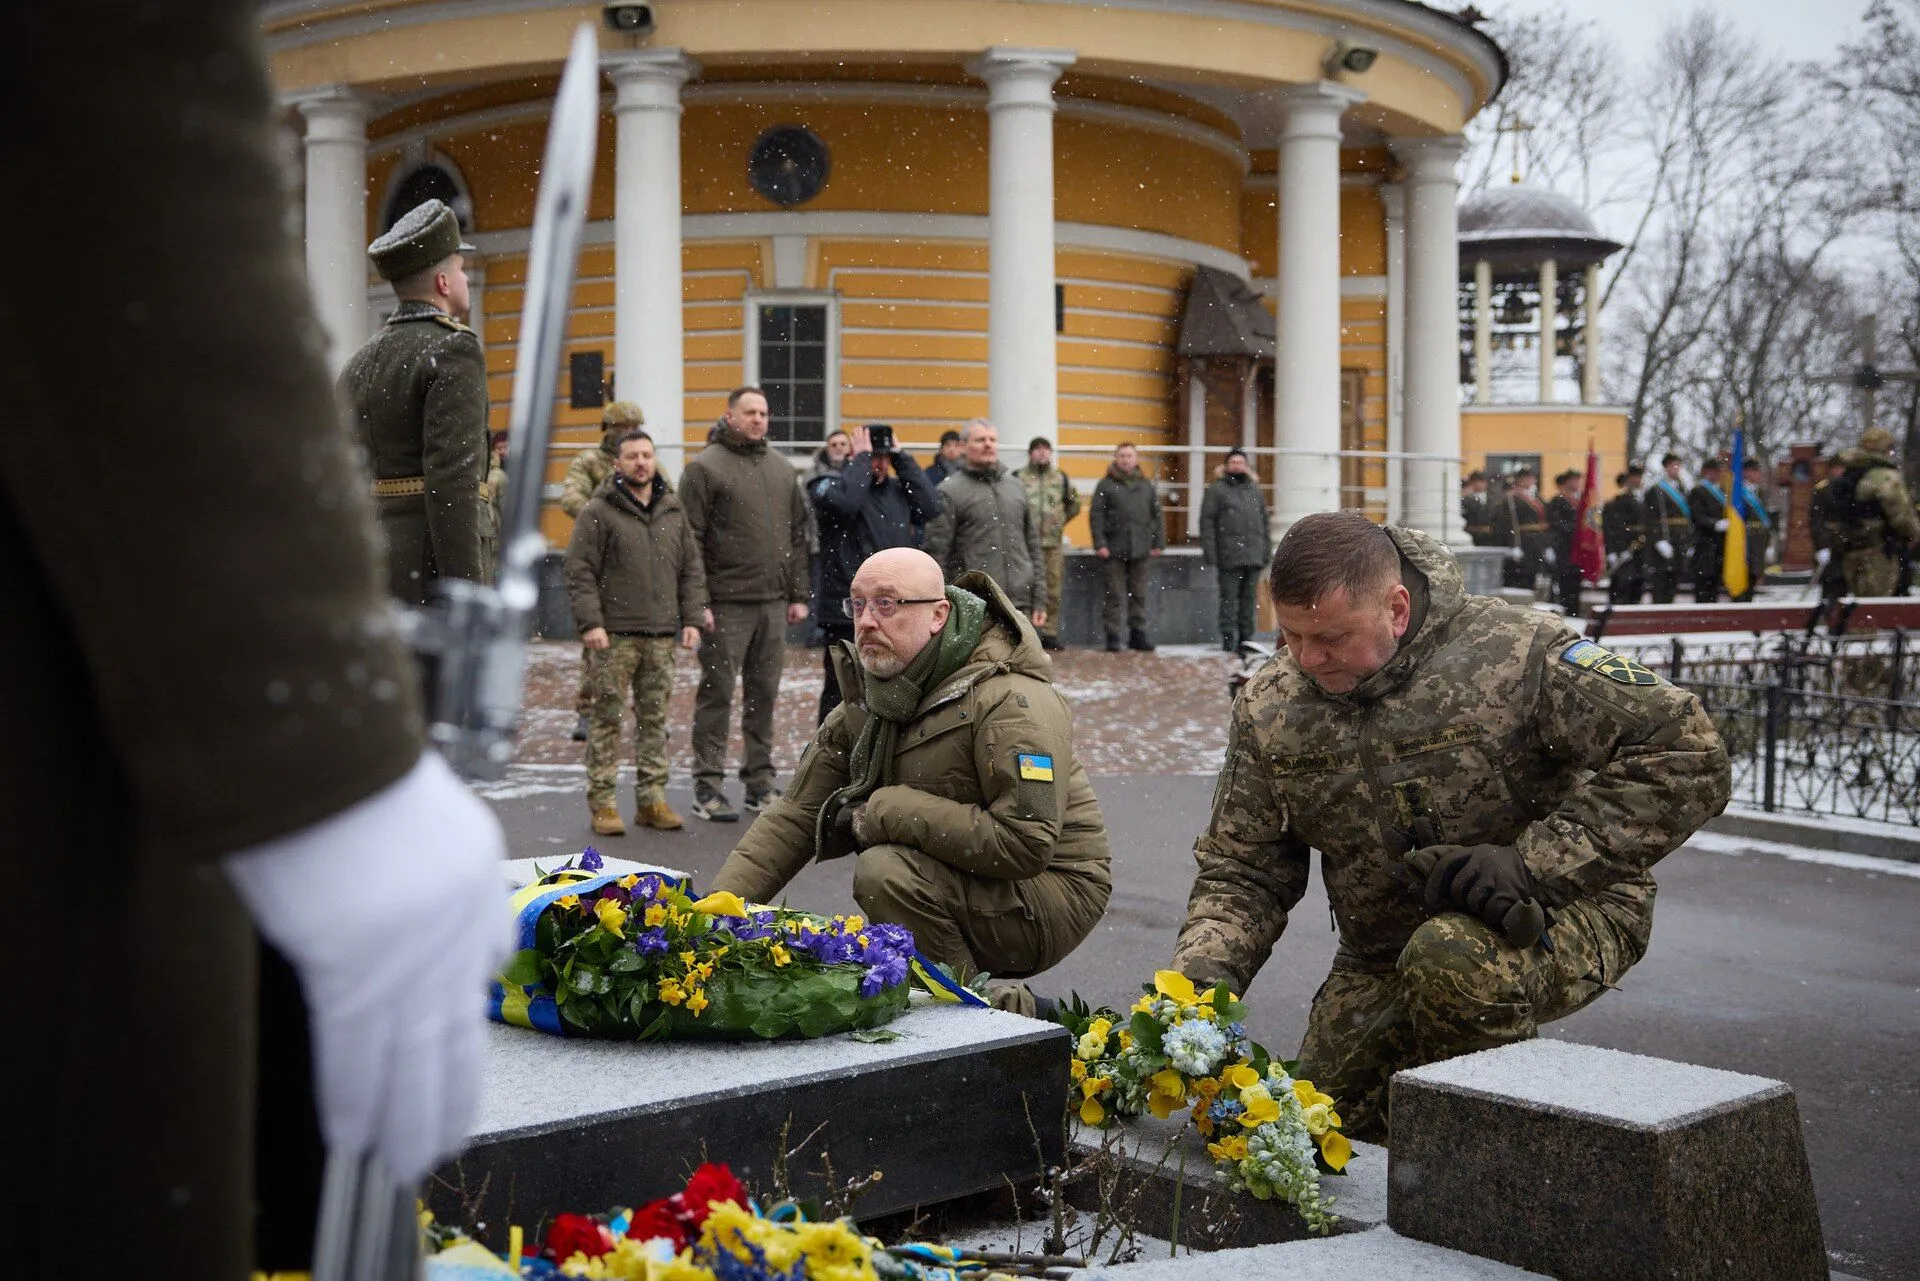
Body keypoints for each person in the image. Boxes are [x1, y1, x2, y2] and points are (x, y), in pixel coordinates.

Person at [5, 6, 509, 1274]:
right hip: (289, 596)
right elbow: (123, 142)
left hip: (354, 560)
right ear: (447, 278)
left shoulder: (365, 360)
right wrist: (323, 753)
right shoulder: (449, 359)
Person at [1171, 512, 1729, 1140]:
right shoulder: (1273, 705)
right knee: (1308, 1140)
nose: (1307, 658)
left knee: (1453, 964)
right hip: (1381, 953)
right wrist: (1194, 998)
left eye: (1332, 637)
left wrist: (1532, 865)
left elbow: (1687, 751)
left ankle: (1502, 1164)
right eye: (1291, 635)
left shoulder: (1516, 652)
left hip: (1565, 910)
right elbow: (1244, 869)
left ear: (1396, 608)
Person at [707, 548, 1111, 1017]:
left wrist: (886, 810)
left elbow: (1025, 843)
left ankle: (987, 1015)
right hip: (971, 871)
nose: (866, 621)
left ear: (938, 615)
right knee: (890, 873)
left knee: (886, 873)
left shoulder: (1012, 700)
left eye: (887, 604)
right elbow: (795, 815)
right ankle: (970, 1003)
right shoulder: (874, 698)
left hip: (1053, 891)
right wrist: (710, 917)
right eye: (858, 604)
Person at [337, 197, 489, 606]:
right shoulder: (454, 349)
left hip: (374, 564)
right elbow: (452, 481)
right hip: (432, 571)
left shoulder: (357, 364)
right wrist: (468, 596)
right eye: (460, 268)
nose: (464, 277)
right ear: (443, 283)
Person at [565, 429, 709, 836]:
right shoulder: (599, 511)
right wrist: (591, 623)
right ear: (618, 463)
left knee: (654, 721)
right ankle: (603, 803)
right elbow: (579, 571)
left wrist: (692, 620)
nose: (641, 462)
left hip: (660, 635)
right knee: (605, 719)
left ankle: (651, 800)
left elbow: (691, 570)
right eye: (632, 456)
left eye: (647, 455)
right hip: (613, 636)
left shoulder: (672, 510)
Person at [680, 387, 812, 822]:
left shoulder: (781, 468)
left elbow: (797, 536)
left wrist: (798, 594)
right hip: (725, 604)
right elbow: (689, 541)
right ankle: (707, 787)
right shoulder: (704, 467)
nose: (758, 419)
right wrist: (698, 603)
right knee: (717, 694)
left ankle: (759, 784)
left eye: (764, 413)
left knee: (764, 695)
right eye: (750, 412)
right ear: (729, 416)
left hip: (772, 603)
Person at [810, 425, 944, 721]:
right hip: (846, 608)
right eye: (873, 456)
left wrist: (902, 458)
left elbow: (932, 506)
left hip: (893, 605)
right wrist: (860, 459)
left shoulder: (897, 491)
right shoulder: (827, 485)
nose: (879, 463)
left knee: (892, 683)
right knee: (842, 688)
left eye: (885, 457)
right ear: (855, 456)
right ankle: (833, 744)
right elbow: (846, 504)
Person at [561, 401, 648, 740]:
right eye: (622, 427)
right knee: (597, 643)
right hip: (602, 562)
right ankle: (588, 710)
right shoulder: (589, 462)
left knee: (647, 645)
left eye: (634, 427)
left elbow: (667, 500)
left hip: (639, 564)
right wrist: (606, 518)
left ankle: (648, 713)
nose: (629, 433)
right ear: (608, 429)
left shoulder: (645, 462)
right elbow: (571, 498)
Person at [923, 419, 1048, 630]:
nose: (988, 444)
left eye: (992, 439)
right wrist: (943, 601)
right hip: (975, 605)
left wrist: (1040, 598)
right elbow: (937, 552)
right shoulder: (949, 491)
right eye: (980, 440)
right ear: (963, 446)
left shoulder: (1016, 487)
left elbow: (1033, 546)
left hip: (1020, 603)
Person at [1090, 442, 1166, 651]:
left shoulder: (1146, 485)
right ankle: (1113, 635)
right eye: (1122, 455)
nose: (1125, 459)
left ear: (1136, 459)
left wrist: (1158, 542)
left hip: (1140, 548)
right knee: (1113, 594)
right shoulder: (1105, 485)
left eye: (1129, 456)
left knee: (1139, 593)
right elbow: (1096, 516)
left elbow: (1156, 515)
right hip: (1113, 548)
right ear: (1116, 458)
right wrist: (1100, 543)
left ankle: (1137, 634)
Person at [1828, 425, 1920, 596]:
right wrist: (1913, 534)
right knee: (1880, 605)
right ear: (1885, 448)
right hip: (1879, 552)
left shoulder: (1850, 472)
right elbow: (1901, 516)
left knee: (1860, 603)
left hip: (1850, 551)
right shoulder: (1884, 476)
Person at [1200, 447, 1273, 651]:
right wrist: (1210, 552)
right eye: (1233, 462)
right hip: (1228, 555)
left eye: (1240, 462)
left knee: (1249, 600)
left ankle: (1246, 639)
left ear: (1246, 465)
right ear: (1226, 465)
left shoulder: (1254, 490)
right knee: (1229, 600)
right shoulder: (1216, 490)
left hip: (1254, 556)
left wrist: (1266, 550)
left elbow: (1264, 522)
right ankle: (1228, 638)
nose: (1237, 465)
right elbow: (1207, 522)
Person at [1018, 437, 1082, 650]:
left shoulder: (1060, 478)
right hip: (1025, 544)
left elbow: (1074, 504)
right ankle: (1025, 632)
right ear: (1030, 453)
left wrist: (1058, 522)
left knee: (1053, 588)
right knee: (1024, 588)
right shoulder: (1019, 477)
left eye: (1046, 449)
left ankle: (1049, 632)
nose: (1042, 452)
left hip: (1052, 544)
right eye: (1037, 449)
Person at [1643, 454, 1694, 604]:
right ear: (1666, 468)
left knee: (1674, 581)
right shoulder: (1656, 490)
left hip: (1679, 540)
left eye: (1678, 465)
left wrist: (1689, 541)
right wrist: (1658, 541)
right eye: (1673, 465)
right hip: (1664, 540)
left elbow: (1688, 518)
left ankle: (1668, 613)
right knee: (1660, 582)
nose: (1676, 469)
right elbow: (1649, 519)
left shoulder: (1683, 488)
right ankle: (1658, 613)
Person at [1491, 467, 1551, 593]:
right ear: (1520, 480)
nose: (1531, 480)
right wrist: (1513, 545)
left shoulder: (1535, 497)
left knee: (1532, 576)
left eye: (1532, 478)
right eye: (1528, 478)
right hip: (1522, 541)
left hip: (1535, 543)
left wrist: (1547, 545)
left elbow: (1544, 521)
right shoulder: (1511, 498)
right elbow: (1508, 524)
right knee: (1518, 578)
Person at [1601, 465, 1648, 604]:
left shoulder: (1643, 498)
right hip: (1623, 549)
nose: (1638, 480)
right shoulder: (1615, 502)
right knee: (1621, 585)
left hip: (1639, 548)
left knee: (1637, 585)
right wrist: (1613, 550)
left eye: (1639, 477)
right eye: (1634, 477)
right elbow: (1611, 529)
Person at [1688, 456, 1730, 604]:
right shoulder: (1698, 491)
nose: (1718, 474)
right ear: (1706, 472)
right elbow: (1697, 516)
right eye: (1715, 471)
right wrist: (1715, 524)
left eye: (1719, 471)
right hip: (1704, 543)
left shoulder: (1723, 491)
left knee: (1715, 585)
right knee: (1703, 584)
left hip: (1720, 545)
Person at [1732, 459, 1774, 602]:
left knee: (1754, 576)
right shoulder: (1737, 491)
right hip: (1743, 539)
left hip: (1758, 540)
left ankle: (1747, 606)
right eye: (1756, 471)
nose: (1759, 474)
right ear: (1747, 472)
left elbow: (1766, 518)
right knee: (1741, 578)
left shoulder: (1761, 491)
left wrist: (1768, 542)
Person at [1545, 468, 1585, 616]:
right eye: (1574, 480)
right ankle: (1566, 612)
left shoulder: (1580, 500)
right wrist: (1575, 530)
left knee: (1575, 584)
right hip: (1563, 548)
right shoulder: (1558, 501)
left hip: (1577, 549)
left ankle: (1574, 612)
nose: (1577, 483)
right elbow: (1555, 524)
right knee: (1564, 583)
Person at [1809, 454, 1847, 600]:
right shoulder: (1822, 489)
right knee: (1830, 584)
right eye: (1837, 468)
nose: (1840, 471)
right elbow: (1816, 521)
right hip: (1830, 542)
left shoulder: (1850, 487)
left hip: (1847, 543)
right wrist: (1822, 546)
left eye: (1842, 468)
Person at [481, 430, 509, 584]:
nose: (503, 451)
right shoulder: (499, 476)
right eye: (499, 448)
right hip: (498, 537)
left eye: (506, 447)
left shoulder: (486, 472)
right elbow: (507, 511)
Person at [1460, 471, 1495, 545]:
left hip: (1491, 537)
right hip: (1472, 534)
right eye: (1477, 481)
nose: (1481, 484)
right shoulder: (1465, 497)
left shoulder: (1493, 497)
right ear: (1471, 482)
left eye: (1483, 481)